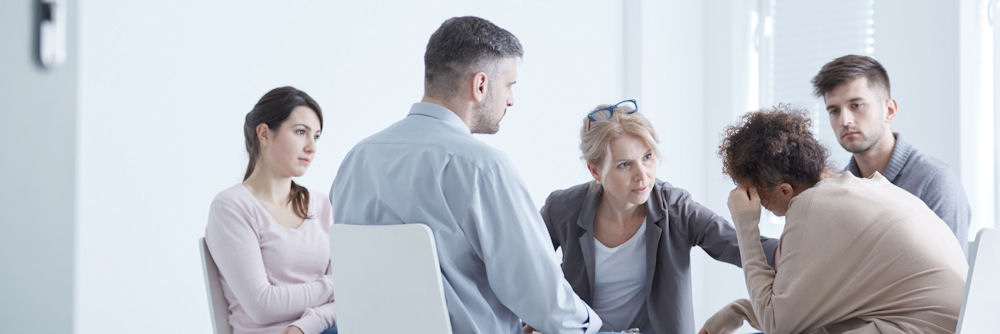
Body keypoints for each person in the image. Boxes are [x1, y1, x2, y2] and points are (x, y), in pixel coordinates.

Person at [329, 16, 601, 333]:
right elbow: (544, 299)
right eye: (509, 85)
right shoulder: (482, 168)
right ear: (481, 85)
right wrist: (593, 326)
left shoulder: (357, 159)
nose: (512, 99)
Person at [699, 106, 967, 334]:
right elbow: (807, 312)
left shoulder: (811, 207)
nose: (755, 204)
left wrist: (745, 225)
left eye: (755, 195)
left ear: (784, 190)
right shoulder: (864, 189)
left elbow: (778, 325)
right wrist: (739, 311)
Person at [539, 99, 778, 334]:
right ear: (595, 171)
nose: (642, 176)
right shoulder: (562, 208)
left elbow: (739, 246)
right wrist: (534, 319)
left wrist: (803, 249)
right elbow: (523, 269)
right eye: (624, 165)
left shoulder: (675, 208)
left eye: (647, 157)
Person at [205, 87, 338, 334]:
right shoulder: (231, 207)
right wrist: (335, 285)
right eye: (301, 132)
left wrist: (307, 324)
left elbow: (348, 299)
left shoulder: (322, 206)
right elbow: (262, 306)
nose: (311, 147)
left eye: (316, 136)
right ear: (264, 134)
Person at [812, 54, 971, 254]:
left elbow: (952, 279)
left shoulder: (935, 181)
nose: (845, 120)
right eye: (834, 111)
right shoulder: (837, 188)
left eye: (856, 105)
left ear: (889, 110)